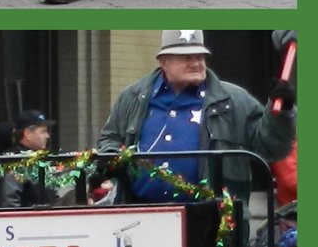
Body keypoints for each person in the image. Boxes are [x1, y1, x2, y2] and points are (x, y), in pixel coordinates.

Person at [98, 29, 295, 202]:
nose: (196, 63)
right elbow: (110, 139)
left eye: (200, 56)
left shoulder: (235, 101)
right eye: (186, 57)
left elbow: (272, 148)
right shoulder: (132, 98)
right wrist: (110, 162)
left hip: (214, 221)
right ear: (164, 62)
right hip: (140, 217)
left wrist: (282, 112)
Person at [0, 111, 61, 208]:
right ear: (27, 134)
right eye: (43, 131)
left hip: (44, 221)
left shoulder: (39, 159)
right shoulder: (14, 161)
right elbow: (10, 203)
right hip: (25, 221)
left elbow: (50, 196)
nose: (47, 136)